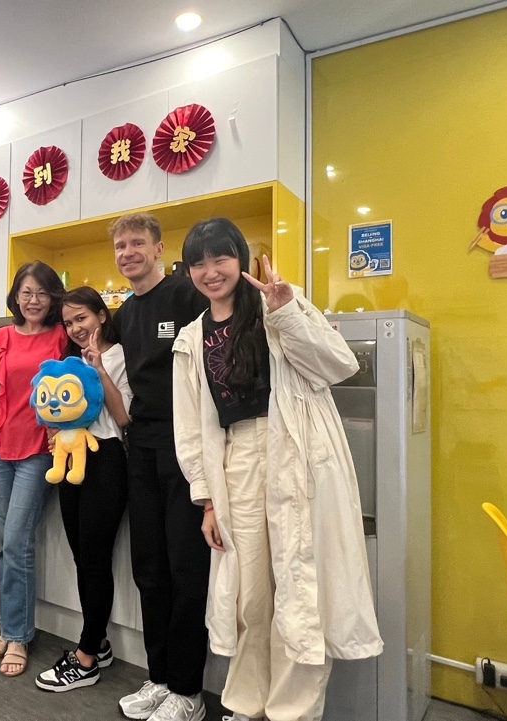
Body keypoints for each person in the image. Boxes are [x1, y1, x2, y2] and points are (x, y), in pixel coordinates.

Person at [172, 219, 382, 721]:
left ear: (241, 258)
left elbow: (338, 366)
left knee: (298, 584)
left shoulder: (279, 304)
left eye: (220, 257)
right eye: (198, 262)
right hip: (236, 459)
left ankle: (292, 712)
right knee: (248, 594)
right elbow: (190, 427)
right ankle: (245, 704)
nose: (210, 271)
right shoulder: (191, 336)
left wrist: (287, 311)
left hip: (296, 450)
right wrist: (204, 499)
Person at [109, 213, 212, 721]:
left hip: (187, 444)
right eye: (121, 246)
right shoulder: (124, 314)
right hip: (141, 444)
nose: (128, 252)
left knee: (186, 566)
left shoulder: (187, 296)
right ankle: (160, 676)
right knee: (148, 566)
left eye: (137, 244)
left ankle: (189, 691)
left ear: (157, 248)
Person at [0, 261, 68, 677]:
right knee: (4, 542)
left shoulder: (62, 336)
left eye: (42, 293)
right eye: (26, 293)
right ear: (16, 296)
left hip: (38, 450)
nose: (33, 300)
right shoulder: (1, 338)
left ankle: (18, 634)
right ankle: (10, 626)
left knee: (17, 542)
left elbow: (76, 387)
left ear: (52, 298)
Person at [35, 286, 132, 692]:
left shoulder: (120, 355)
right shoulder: (67, 362)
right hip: (73, 460)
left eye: (83, 319)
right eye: (69, 321)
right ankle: (100, 641)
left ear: (101, 316)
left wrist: (99, 368)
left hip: (107, 460)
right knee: (81, 557)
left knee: (94, 560)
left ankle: (87, 657)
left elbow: (124, 417)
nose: (76, 328)